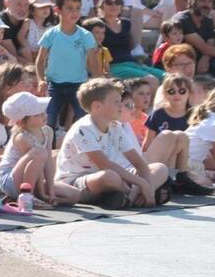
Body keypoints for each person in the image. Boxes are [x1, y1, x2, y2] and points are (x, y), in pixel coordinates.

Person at [55, 79, 170, 209]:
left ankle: (130, 198)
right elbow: (104, 164)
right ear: (97, 106)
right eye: (116, 102)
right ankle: (137, 196)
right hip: (81, 181)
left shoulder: (115, 125)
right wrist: (142, 184)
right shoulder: (83, 129)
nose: (121, 106)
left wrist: (146, 184)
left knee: (160, 168)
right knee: (110, 176)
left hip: (116, 178)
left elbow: (138, 162)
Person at [0, 91, 80, 205]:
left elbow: (48, 162)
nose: (44, 116)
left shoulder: (47, 131)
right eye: (37, 115)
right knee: (39, 153)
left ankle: (43, 199)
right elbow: (36, 162)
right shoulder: (22, 137)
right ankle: (27, 196)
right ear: (22, 122)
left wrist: (51, 190)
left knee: (74, 195)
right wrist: (42, 192)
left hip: (35, 179)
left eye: (43, 112)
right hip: (11, 180)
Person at [36, 0, 98, 128]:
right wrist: (41, 80)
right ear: (57, 10)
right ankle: (48, 149)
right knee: (48, 120)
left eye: (77, 8)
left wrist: (99, 83)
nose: (74, 12)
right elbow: (40, 60)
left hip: (78, 84)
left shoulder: (86, 35)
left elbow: (93, 61)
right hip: (54, 85)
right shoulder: (50, 34)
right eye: (69, 8)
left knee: (85, 119)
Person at [98, 0, 164, 81]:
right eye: (109, 2)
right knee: (151, 80)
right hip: (114, 66)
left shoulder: (126, 23)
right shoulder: (98, 25)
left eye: (118, 2)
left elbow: (132, 46)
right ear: (101, 6)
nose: (114, 5)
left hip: (132, 63)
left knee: (169, 77)